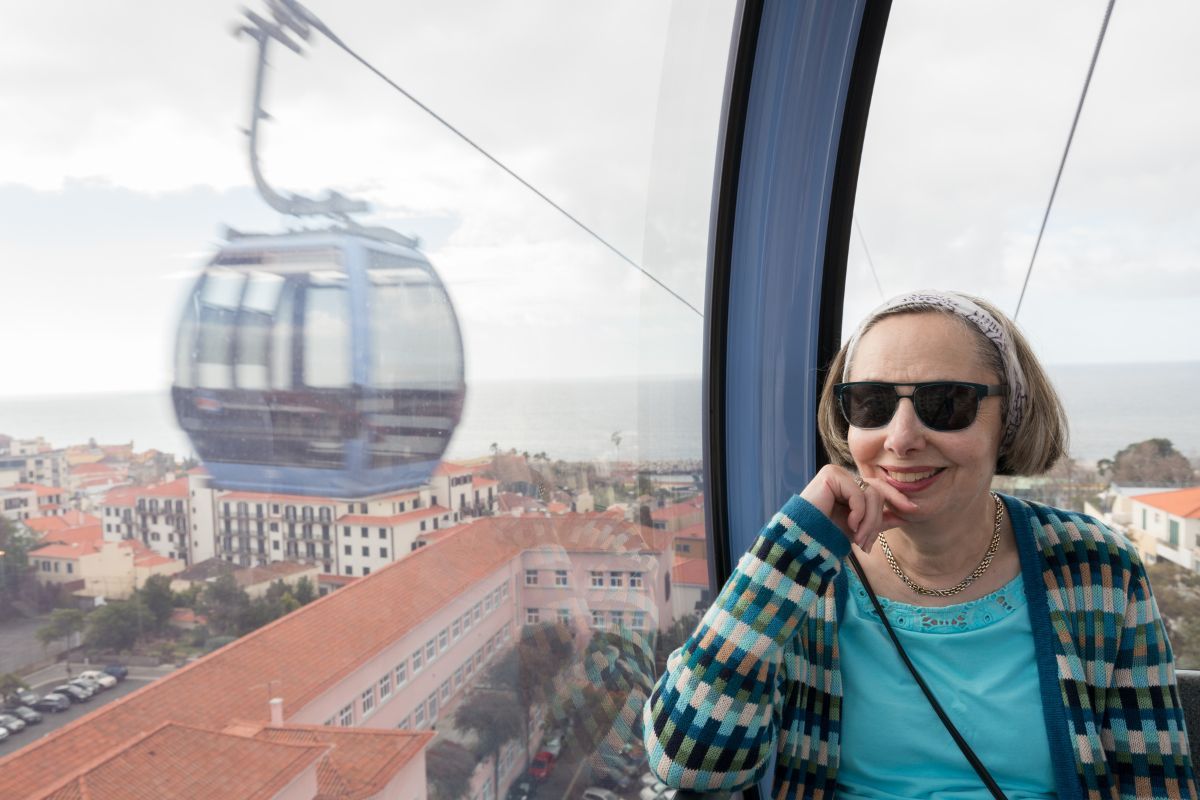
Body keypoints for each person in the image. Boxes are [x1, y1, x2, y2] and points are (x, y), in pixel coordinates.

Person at [643, 290, 1197, 800]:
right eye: (869, 403)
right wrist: (789, 548)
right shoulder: (805, 578)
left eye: (946, 403)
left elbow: (1154, 782)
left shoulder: (1095, 569)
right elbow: (687, 762)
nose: (901, 438)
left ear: (1009, 419)